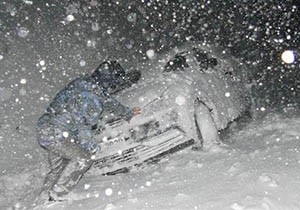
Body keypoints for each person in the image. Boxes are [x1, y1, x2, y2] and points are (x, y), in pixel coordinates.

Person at [35, 60, 141, 202]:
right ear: (109, 80)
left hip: (46, 128)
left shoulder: (85, 83)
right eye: (114, 81)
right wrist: (92, 147)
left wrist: (127, 113)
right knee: (84, 157)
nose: (114, 85)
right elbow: (83, 125)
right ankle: (57, 196)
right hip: (58, 133)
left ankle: (43, 198)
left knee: (59, 167)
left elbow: (108, 102)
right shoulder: (91, 98)